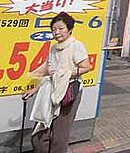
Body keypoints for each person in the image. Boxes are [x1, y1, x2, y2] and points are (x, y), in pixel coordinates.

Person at [24, 12, 91, 153]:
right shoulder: (54, 48)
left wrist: (64, 74)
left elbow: (86, 67)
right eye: (54, 29)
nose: (57, 32)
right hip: (50, 90)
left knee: (60, 133)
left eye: (61, 28)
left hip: (68, 92)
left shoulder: (76, 46)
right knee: (41, 129)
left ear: (69, 29)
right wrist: (34, 88)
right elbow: (48, 71)